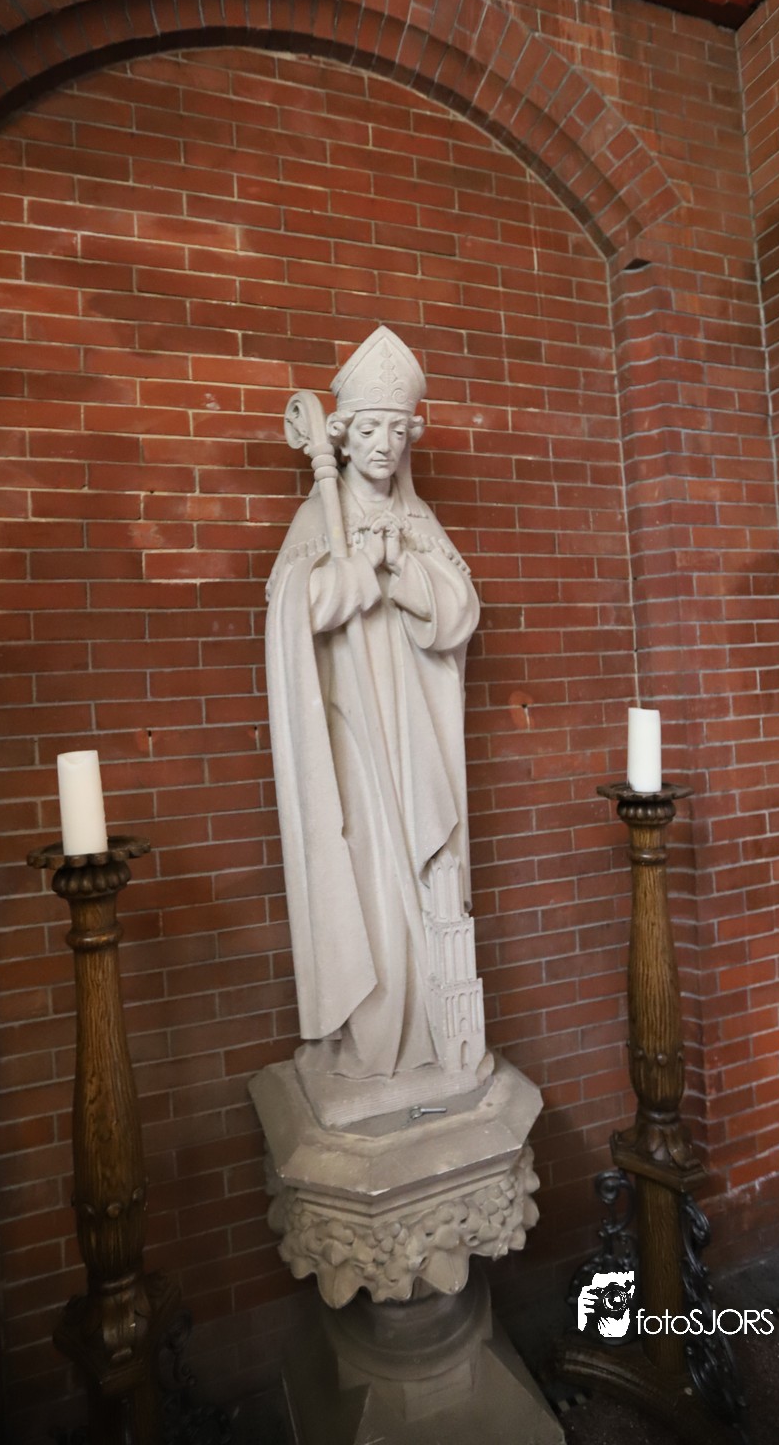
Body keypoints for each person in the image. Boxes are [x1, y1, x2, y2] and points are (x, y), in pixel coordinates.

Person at [265, 327, 480, 1083]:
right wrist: (358, 573)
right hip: (352, 733)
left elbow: (460, 610)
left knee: (429, 876)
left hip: (418, 736)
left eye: (396, 429)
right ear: (343, 437)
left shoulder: (420, 521)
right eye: (367, 431)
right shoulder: (318, 520)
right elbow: (292, 610)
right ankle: (378, 1030)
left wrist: (404, 574)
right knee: (368, 868)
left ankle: (433, 1032)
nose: (383, 445)